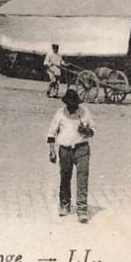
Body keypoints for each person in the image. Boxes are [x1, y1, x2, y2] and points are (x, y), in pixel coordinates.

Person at [47, 87, 94, 223]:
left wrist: (87, 131)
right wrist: (52, 151)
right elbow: (51, 133)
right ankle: (65, 204)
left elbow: (93, 131)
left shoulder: (85, 113)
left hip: (82, 148)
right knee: (65, 176)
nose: (73, 107)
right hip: (65, 150)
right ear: (66, 103)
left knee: (82, 178)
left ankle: (82, 210)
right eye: (70, 104)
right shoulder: (60, 114)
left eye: (75, 104)